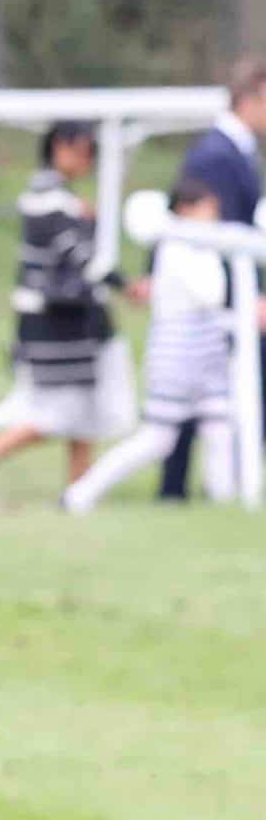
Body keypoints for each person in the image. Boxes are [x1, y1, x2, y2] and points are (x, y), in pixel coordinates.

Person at [0, 121, 132, 504]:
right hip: (56, 322)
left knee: (84, 411)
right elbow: (80, 257)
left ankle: (78, 491)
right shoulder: (49, 198)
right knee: (58, 415)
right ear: (60, 147)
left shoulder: (57, 196)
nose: (87, 160)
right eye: (83, 150)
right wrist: (126, 284)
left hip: (76, 321)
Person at [65, 179, 258, 510]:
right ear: (186, 209)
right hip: (178, 357)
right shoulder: (177, 248)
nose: (214, 215)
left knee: (220, 430)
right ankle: (82, 493)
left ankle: (225, 501)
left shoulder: (198, 247)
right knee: (157, 438)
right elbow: (208, 293)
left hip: (208, 354)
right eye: (208, 208)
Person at [155, 55, 266, 499]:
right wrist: (251, 295)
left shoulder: (237, 152)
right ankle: (180, 487)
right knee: (194, 398)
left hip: (231, 293)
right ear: (250, 99)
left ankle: (208, 483)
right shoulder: (216, 154)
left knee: (206, 399)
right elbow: (200, 224)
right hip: (219, 295)